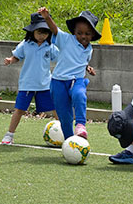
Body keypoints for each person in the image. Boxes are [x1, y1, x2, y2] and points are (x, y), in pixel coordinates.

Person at [39, 8, 100, 139]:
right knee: (65, 116)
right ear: (74, 32)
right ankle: (69, 141)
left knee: (79, 94)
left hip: (76, 80)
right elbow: (54, 29)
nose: (83, 36)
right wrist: (47, 17)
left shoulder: (89, 49)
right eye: (79, 33)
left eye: (87, 34)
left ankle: (80, 125)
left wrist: (87, 68)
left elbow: (81, 61)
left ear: (93, 35)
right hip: (58, 82)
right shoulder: (66, 40)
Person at [2, 13, 57, 145]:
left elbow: (60, 59)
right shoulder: (25, 44)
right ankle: (9, 135)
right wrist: (10, 60)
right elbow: (17, 56)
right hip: (27, 84)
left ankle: (64, 133)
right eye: (39, 32)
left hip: (45, 84)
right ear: (32, 31)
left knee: (56, 108)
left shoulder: (50, 46)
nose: (42, 36)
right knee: (19, 110)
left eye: (45, 33)